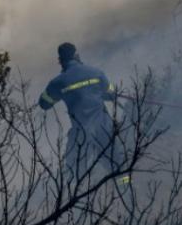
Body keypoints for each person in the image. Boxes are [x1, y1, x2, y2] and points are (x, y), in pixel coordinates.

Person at [38, 42, 123, 179]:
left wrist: (59, 94)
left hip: (80, 132)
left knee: (74, 171)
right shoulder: (96, 73)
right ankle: (126, 191)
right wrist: (97, 92)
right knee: (117, 166)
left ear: (60, 61)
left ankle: (77, 198)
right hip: (104, 128)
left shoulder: (58, 82)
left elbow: (44, 104)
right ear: (76, 55)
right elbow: (112, 94)